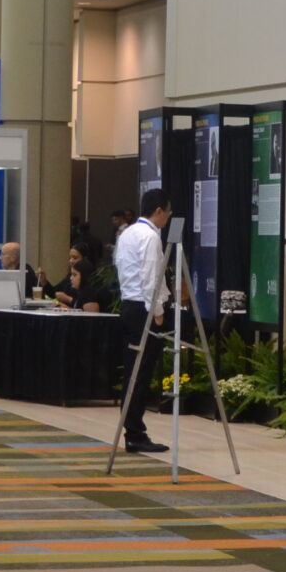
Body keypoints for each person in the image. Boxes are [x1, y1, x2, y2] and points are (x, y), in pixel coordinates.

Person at [111, 188, 171, 454]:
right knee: (141, 373)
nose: (167, 218)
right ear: (158, 211)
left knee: (132, 372)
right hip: (143, 309)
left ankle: (132, 429)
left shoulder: (127, 234)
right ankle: (134, 432)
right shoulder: (150, 237)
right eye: (167, 213)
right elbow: (151, 277)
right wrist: (157, 311)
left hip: (129, 305)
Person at [53, 241, 116, 313]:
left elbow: (91, 318)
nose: (71, 278)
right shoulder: (82, 290)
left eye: (74, 275)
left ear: (84, 275)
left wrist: (69, 308)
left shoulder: (89, 291)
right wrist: (68, 309)